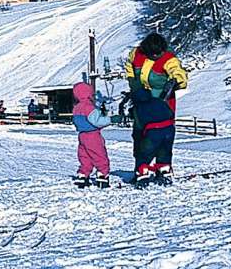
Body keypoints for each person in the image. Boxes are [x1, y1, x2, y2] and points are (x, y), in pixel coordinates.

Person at [125, 33, 188, 185]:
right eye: (153, 53)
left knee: (163, 136)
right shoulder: (136, 54)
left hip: (163, 104)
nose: (157, 56)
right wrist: (132, 81)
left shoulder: (169, 59)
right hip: (142, 104)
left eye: (159, 53)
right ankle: (141, 168)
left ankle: (163, 168)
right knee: (140, 137)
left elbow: (179, 73)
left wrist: (176, 81)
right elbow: (129, 67)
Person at [71, 82, 112, 188]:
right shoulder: (89, 107)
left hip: (82, 135)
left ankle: (83, 174)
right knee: (99, 154)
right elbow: (97, 121)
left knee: (85, 155)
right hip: (92, 135)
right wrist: (111, 119)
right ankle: (102, 174)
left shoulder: (76, 108)